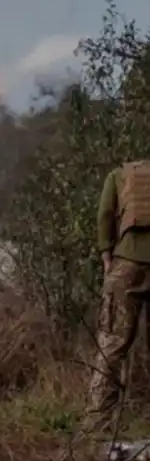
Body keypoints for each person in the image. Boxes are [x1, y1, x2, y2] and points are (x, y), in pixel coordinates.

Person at [86, 159, 150, 430]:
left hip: (128, 261)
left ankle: (97, 422)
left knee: (112, 342)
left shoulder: (119, 175)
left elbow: (104, 214)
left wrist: (106, 254)